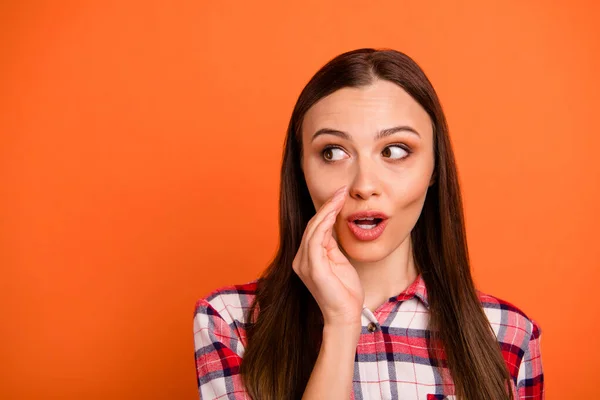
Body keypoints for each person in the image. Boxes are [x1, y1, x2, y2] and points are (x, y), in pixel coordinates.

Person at [192, 48, 544, 400]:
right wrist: (341, 324)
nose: (364, 186)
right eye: (332, 152)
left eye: (394, 151)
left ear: (435, 168)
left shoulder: (507, 335)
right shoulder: (232, 322)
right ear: (300, 170)